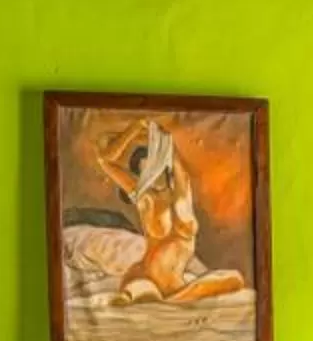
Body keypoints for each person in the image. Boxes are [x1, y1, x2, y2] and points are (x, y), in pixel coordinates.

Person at [89, 118, 246, 305]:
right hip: (145, 277)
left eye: (153, 167)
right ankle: (144, 296)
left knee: (235, 279)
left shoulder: (182, 189)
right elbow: (104, 159)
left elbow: (170, 152)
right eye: (145, 172)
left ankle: (173, 298)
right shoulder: (144, 197)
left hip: (175, 283)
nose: (151, 175)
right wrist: (134, 127)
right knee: (143, 293)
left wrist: (156, 140)